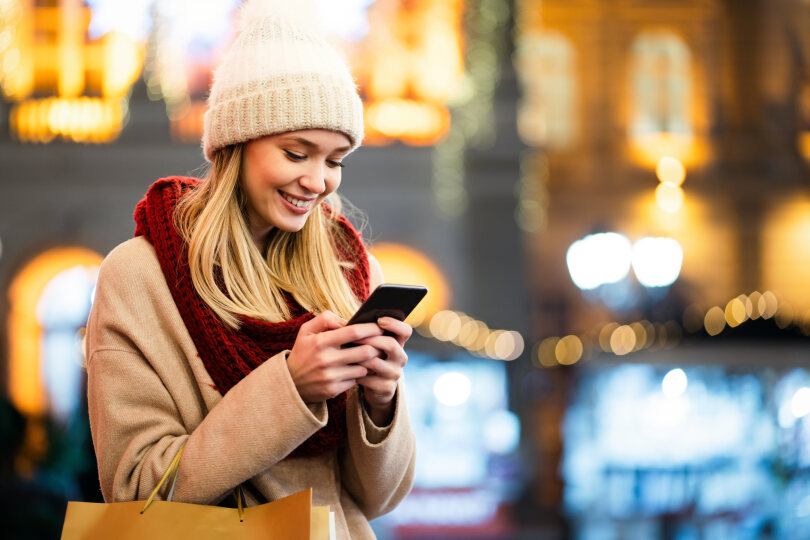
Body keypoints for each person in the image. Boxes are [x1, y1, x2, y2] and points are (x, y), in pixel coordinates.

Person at [85, 1, 416, 538]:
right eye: (296, 152)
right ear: (236, 144)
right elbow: (135, 493)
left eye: (334, 160)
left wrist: (380, 403)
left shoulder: (351, 273)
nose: (317, 181)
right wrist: (290, 388)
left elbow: (377, 499)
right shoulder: (141, 276)